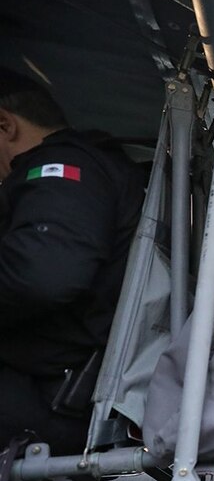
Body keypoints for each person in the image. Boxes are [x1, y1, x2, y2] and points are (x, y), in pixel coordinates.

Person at [0, 68, 144, 454]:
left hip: (52, 396)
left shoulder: (61, 167)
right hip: (63, 388)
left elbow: (45, 274)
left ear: (5, 124)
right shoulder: (91, 167)